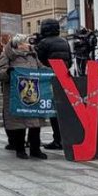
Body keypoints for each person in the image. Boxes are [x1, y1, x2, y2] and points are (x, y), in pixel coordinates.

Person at [0, 33, 49, 159]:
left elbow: (41, 68)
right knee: (19, 124)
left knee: (35, 124)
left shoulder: (33, 56)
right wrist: (7, 72)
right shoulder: (8, 55)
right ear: (19, 45)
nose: (28, 44)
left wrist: (50, 71)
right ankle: (20, 149)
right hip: (17, 95)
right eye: (25, 42)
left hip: (33, 94)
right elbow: (0, 73)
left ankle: (35, 149)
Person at [31, 18, 72, 151]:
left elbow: (37, 59)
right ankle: (61, 139)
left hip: (47, 79)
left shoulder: (44, 42)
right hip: (63, 78)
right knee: (60, 110)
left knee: (49, 110)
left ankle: (56, 140)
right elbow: (70, 61)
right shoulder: (65, 42)